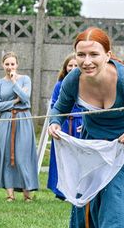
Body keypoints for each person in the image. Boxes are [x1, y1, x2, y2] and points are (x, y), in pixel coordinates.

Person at [48, 27, 124, 228]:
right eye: (81, 55)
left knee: (115, 197)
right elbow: (59, 108)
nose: (87, 61)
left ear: (107, 55)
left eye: (94, 54)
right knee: (91, 195)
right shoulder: (73, 79)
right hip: (95, 145)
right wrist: (54, 123)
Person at [0, 52, 39, 202]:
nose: (10, 67)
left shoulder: (25, 80)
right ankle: (10, 194)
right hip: (5, 121)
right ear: (2, 65)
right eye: (7, 64)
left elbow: (25, 98)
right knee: (6, 155)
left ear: (17, 65)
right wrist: (14, 102)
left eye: (12, 64)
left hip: (23, 119)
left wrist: (14, 83)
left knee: (22, 156)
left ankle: (27, 194)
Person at [47, 53, 82, 199]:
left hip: (79, 124)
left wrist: (84, 122)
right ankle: (61, 191)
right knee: (62, 157)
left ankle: (78, 189)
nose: (73, 68)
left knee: (78, 157)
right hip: (64, 123)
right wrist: (56, 123)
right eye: (70, 65)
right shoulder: (59, 85)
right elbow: (55, 105)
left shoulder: (85, 84)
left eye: (75, 65)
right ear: (65, 67)